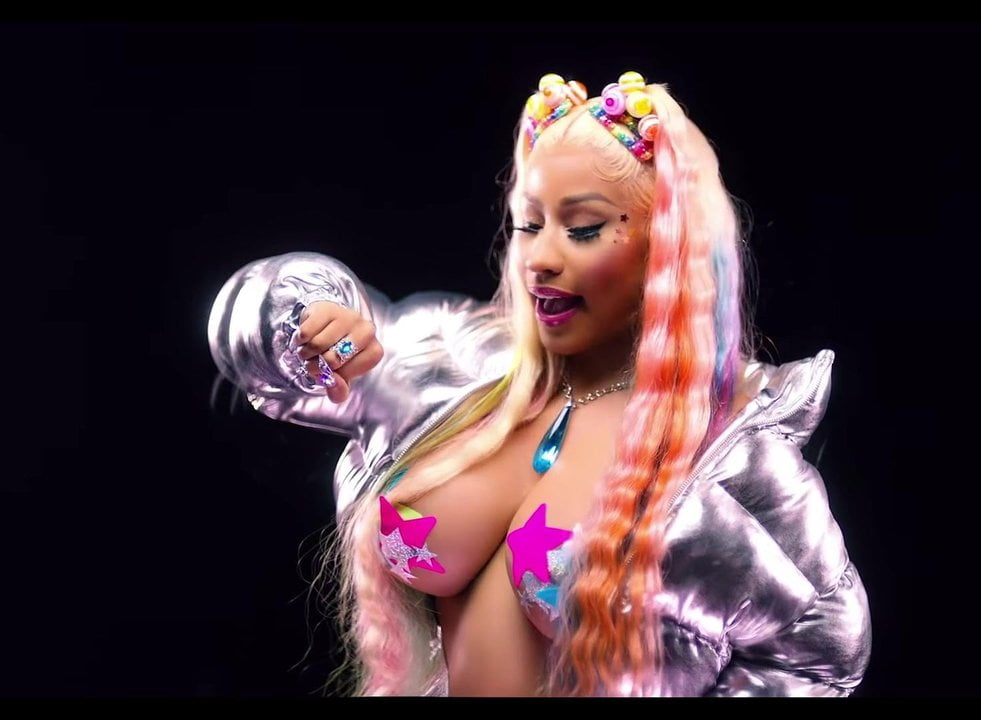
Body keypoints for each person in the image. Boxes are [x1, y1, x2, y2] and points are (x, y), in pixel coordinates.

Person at [207, 71, 871, 697]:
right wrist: (314, 325)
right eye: (530, 224)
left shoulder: (731, 462)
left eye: (582, 229)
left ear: (665, 249)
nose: (541, 259)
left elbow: (821, 651)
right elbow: (257, 331)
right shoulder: (462, 358)